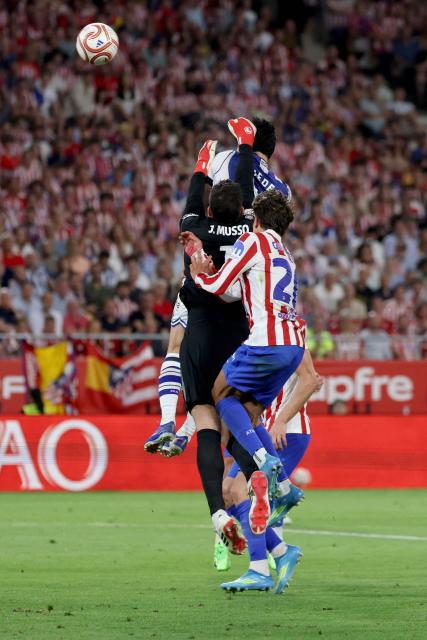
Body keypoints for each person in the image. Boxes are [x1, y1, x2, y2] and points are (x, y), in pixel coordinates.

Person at [145, 118, 260, 554]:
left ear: (211, 208)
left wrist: (201, 164)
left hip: (201, 334)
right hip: (240, 334)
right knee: (236, 421)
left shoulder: (197, 224)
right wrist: (244, 145)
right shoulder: (250, 229)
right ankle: (260, 479)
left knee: (206, 424)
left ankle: (217, 513)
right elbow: (245, 190)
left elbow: (196, 197)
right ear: (242, 211)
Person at [190, 188, 306, 590]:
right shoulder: (284, 253)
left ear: (254, 218)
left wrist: (199, 271)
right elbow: (240, 290)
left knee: (220, 393)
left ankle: (268, 464)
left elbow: (219, 281)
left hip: (267, 341)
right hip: (293, 345)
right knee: (248, 412)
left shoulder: (253, 239)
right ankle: (268, 560)